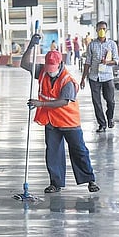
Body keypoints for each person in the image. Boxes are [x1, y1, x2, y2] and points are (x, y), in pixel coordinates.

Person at [20, 49, 100, 194]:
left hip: (69, 121)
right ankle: (55, 183)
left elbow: (63, 102)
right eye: (48, 68)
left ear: (60, 64)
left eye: (53, 68)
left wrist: (41, 104)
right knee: (53, 152)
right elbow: (24, 63)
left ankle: (90, 180)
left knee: (79, 151)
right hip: (51, 121)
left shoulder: (67, 80)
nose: (51, 71)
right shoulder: (42, 71)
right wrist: (31, 45)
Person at [80, 21, 119, 132]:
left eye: (104, 29)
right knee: (96, 102)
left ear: (106, 30)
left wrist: (107, 62)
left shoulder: (112, 44)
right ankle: (102, 124)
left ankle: (110, 117)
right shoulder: (92, 45)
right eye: (100, 29)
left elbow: (116, 61)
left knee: (110, 101)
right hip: (94, 77)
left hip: (107, 77)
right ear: (96, 30)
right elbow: (87, 62)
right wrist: (83, 78)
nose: (102, 31)